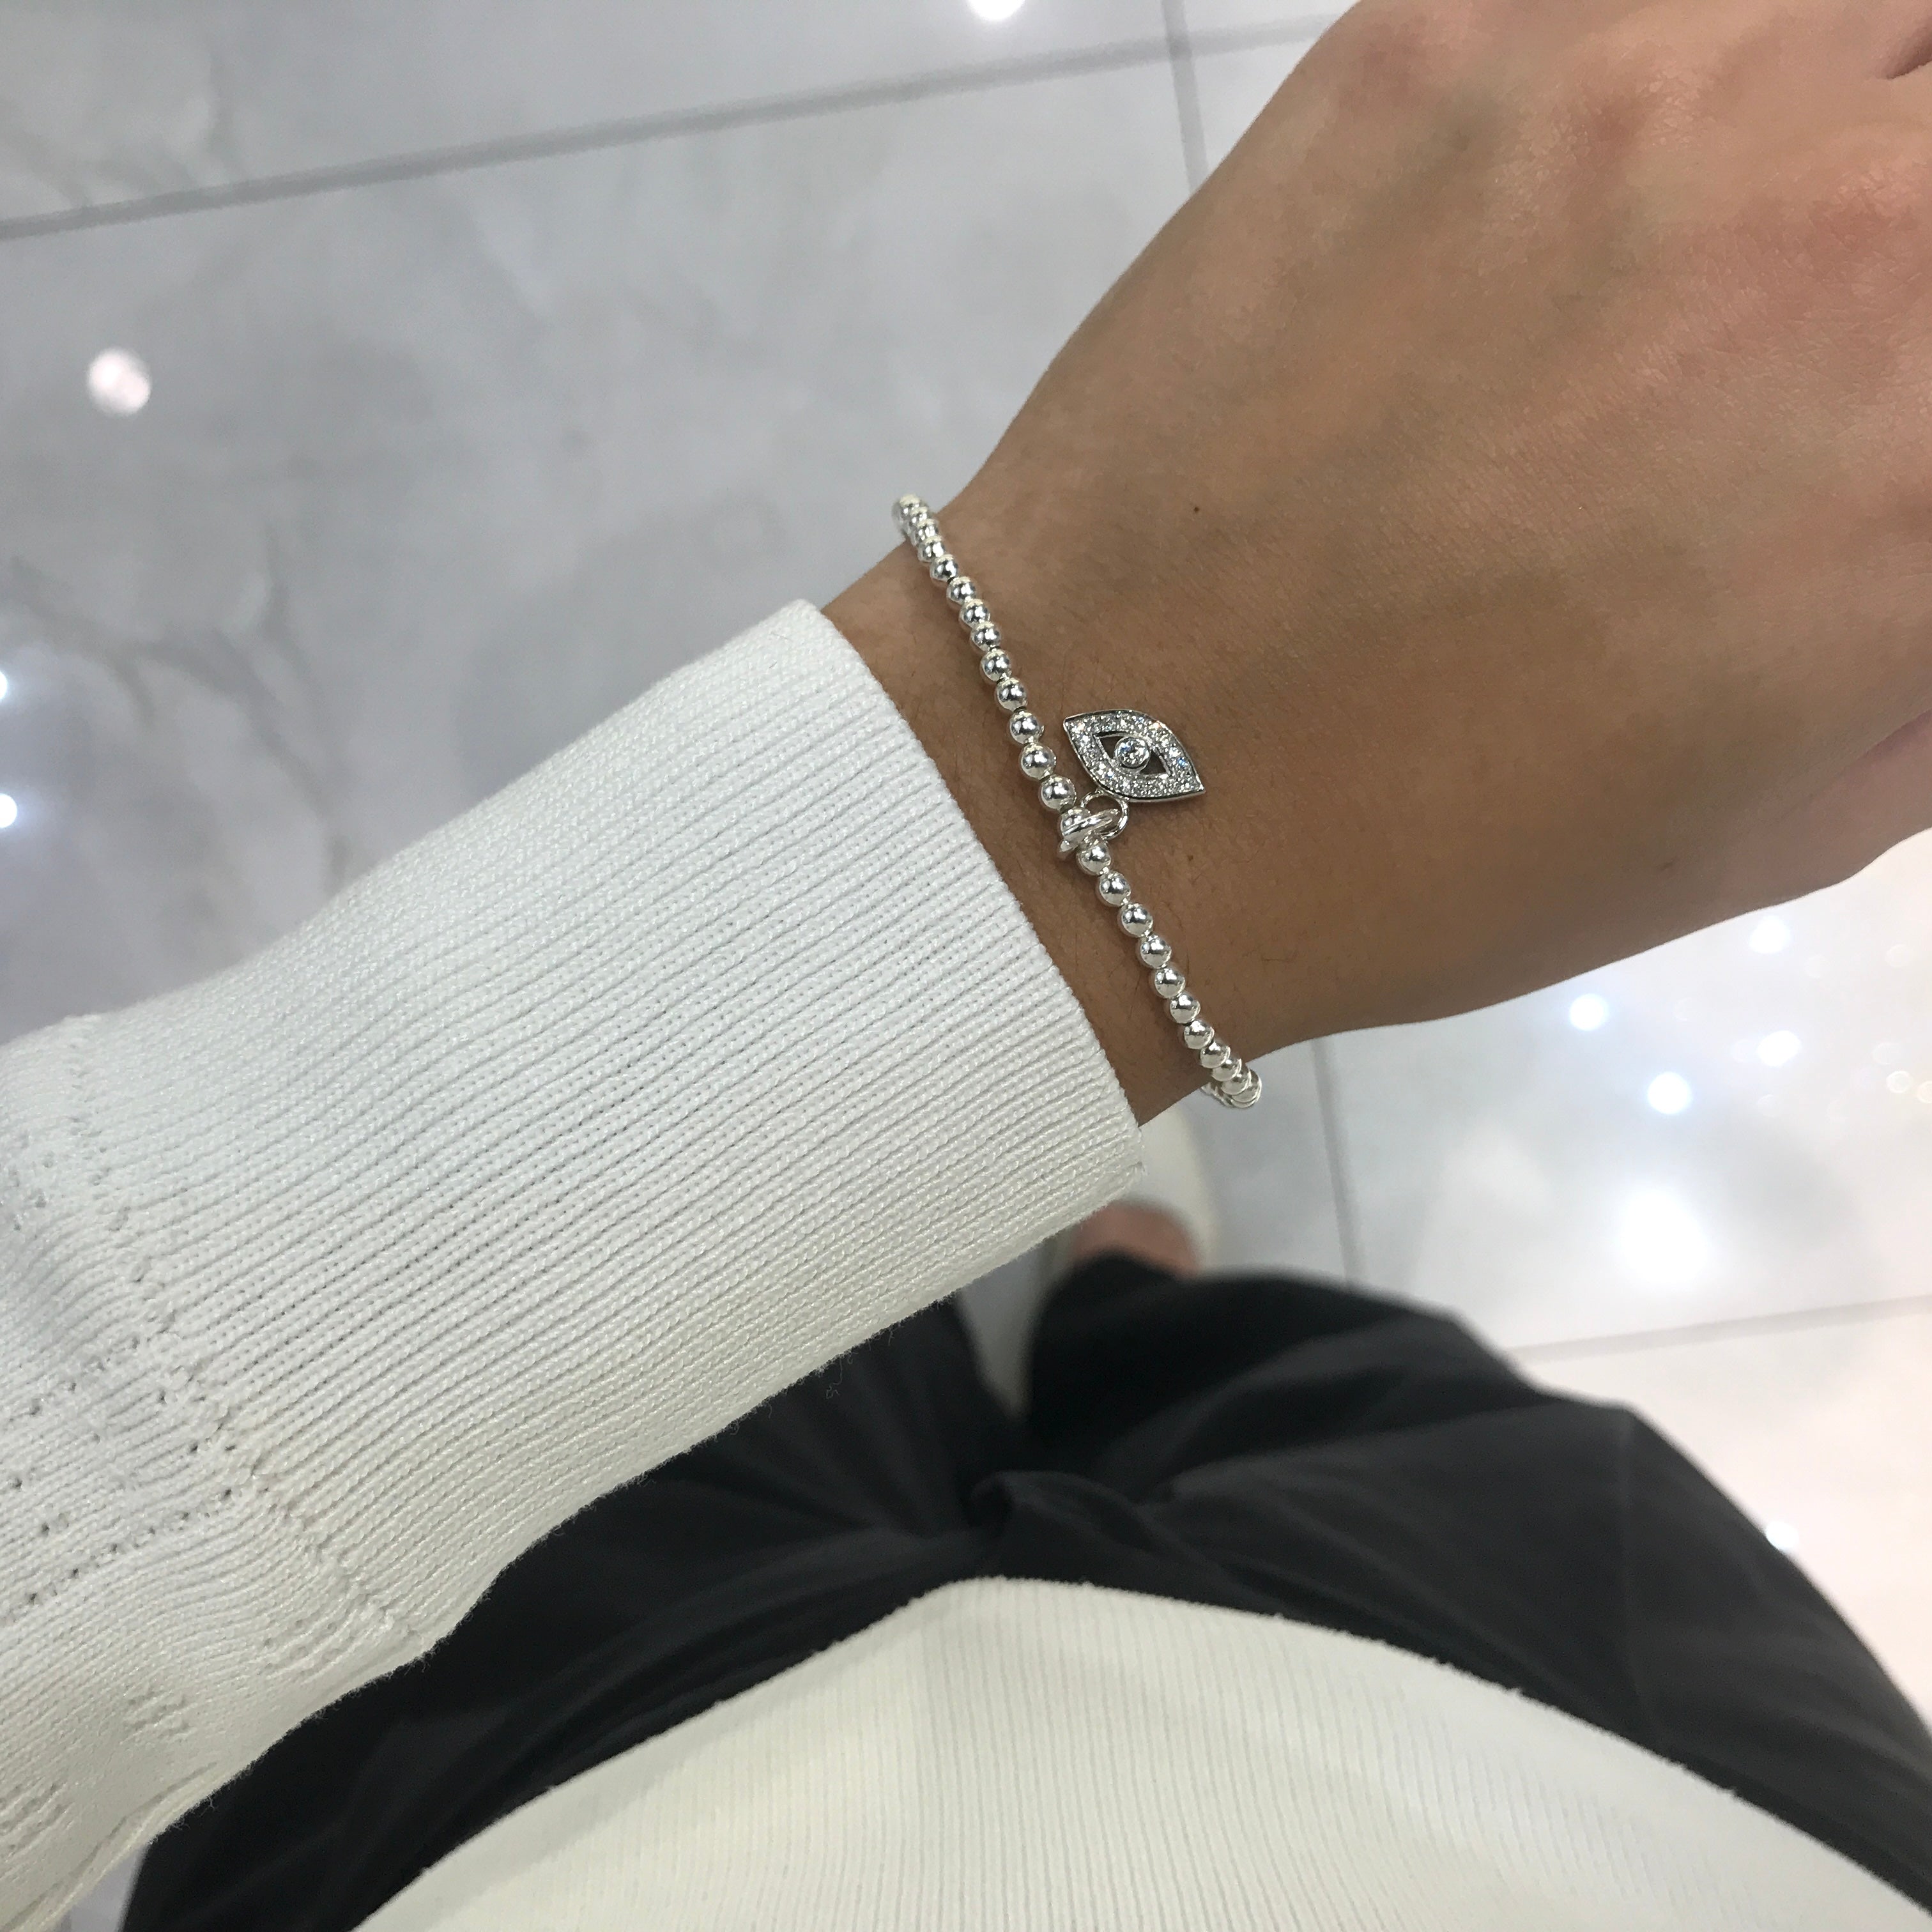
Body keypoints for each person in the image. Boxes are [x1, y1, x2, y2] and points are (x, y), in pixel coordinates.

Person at [10, 0, 1932, 1925]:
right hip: (1622, 1770)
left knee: (771, 1351)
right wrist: (1022, 838)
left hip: (490, 1806)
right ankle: (1129, 1281)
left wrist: (978, 853)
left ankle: (1100, 1257)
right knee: (1313, 1384)